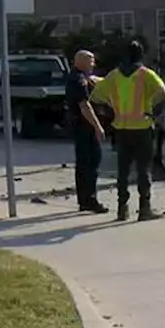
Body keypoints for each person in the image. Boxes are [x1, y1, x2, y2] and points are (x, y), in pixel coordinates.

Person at [90, 40, 165, 222]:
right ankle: (144, 209)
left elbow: (96, 97)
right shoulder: (146, 75)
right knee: (144, 170)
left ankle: (122, 209)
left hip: (121, 130)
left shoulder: (114, 76)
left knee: (123, 171)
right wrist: (154, 114)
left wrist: (111, 113)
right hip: (142, 127)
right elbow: (163, 94)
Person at [66, 50, 108, 214]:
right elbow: (85, 106)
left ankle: (84, 200)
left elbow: (95, 80)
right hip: (85, 127)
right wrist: (98, 127)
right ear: (81, 61)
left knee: (84, 164)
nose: (94, 64)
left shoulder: (78, 77)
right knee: (91, 163)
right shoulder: (78, 80)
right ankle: (90, 200)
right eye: (91, 61)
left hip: (80, 126)